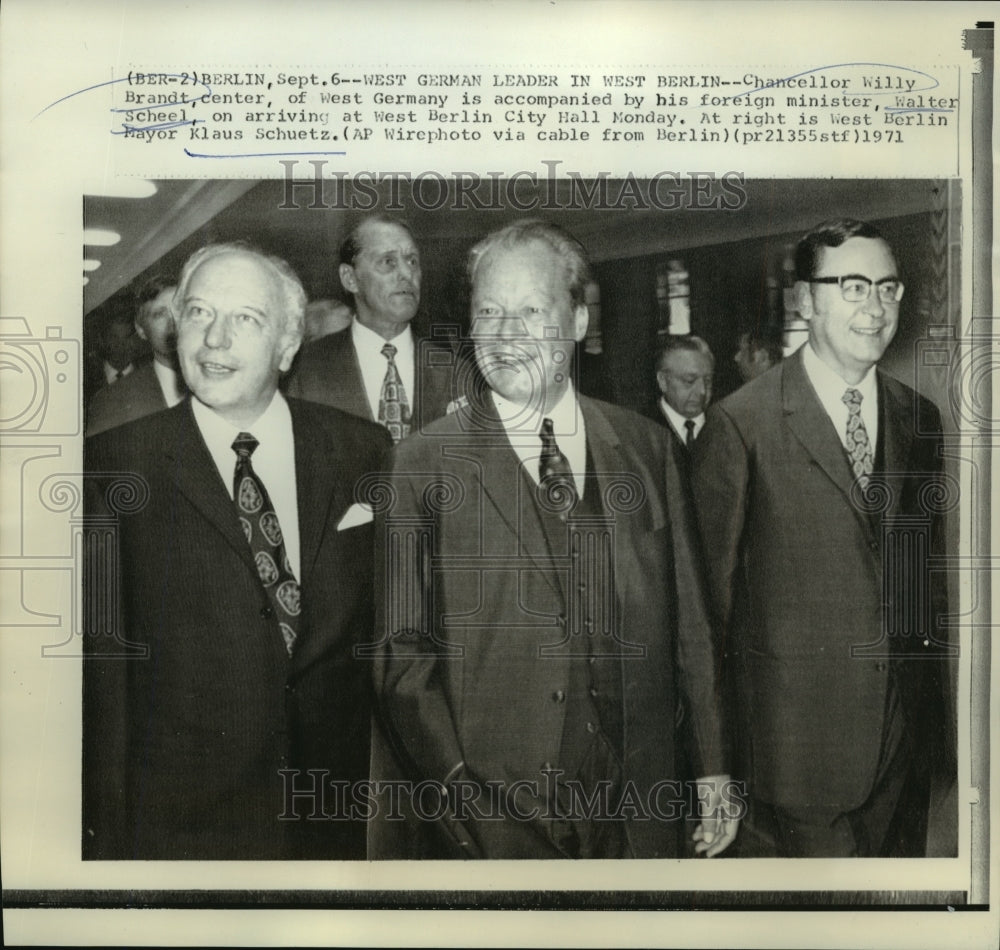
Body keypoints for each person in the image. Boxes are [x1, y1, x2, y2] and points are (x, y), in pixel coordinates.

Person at [368, 220, 737, 860]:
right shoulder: (423, 464)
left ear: (576, 321)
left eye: (531, 310)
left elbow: (692, 623)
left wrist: (711, 766)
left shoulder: (645, 447)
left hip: (641, 805)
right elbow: (403, 657)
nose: (507, 335)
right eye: (489, 312)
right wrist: (458, 792)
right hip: (498, 819)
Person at [83, 242, 391, 860]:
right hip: (183, 828)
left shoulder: (364, 451)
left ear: (286, 345)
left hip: (332, 813)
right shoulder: (112, 467)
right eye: (197, 314)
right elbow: (101, 681)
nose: (214, 340)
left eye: (244, 319)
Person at [691, 218, 952, 857]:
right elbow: (705, 617)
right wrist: (713, 766)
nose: (876, 307)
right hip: (796, 759)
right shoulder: (741, 424)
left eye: (889, 289)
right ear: (805, 300)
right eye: (854, 286)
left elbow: (922, 579)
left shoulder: (919, 417)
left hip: (905, 748)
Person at [286, 214, 464, 440]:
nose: (407, 274)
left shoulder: (457, 373)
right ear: (350, 278)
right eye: (388, 262)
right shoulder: (305, 371)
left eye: (412, 261)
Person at [86, 276, 187, 436]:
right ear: (140, 329)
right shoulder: (111, 401)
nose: (174, 323)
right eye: (160, 314)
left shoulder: (228, 380)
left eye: (180, 310)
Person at [653, 335, 714, 449]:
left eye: (707, 381)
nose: (702, 391)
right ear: (663, 381)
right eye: (689, 381)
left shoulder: (725, 427)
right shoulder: (641, 429)